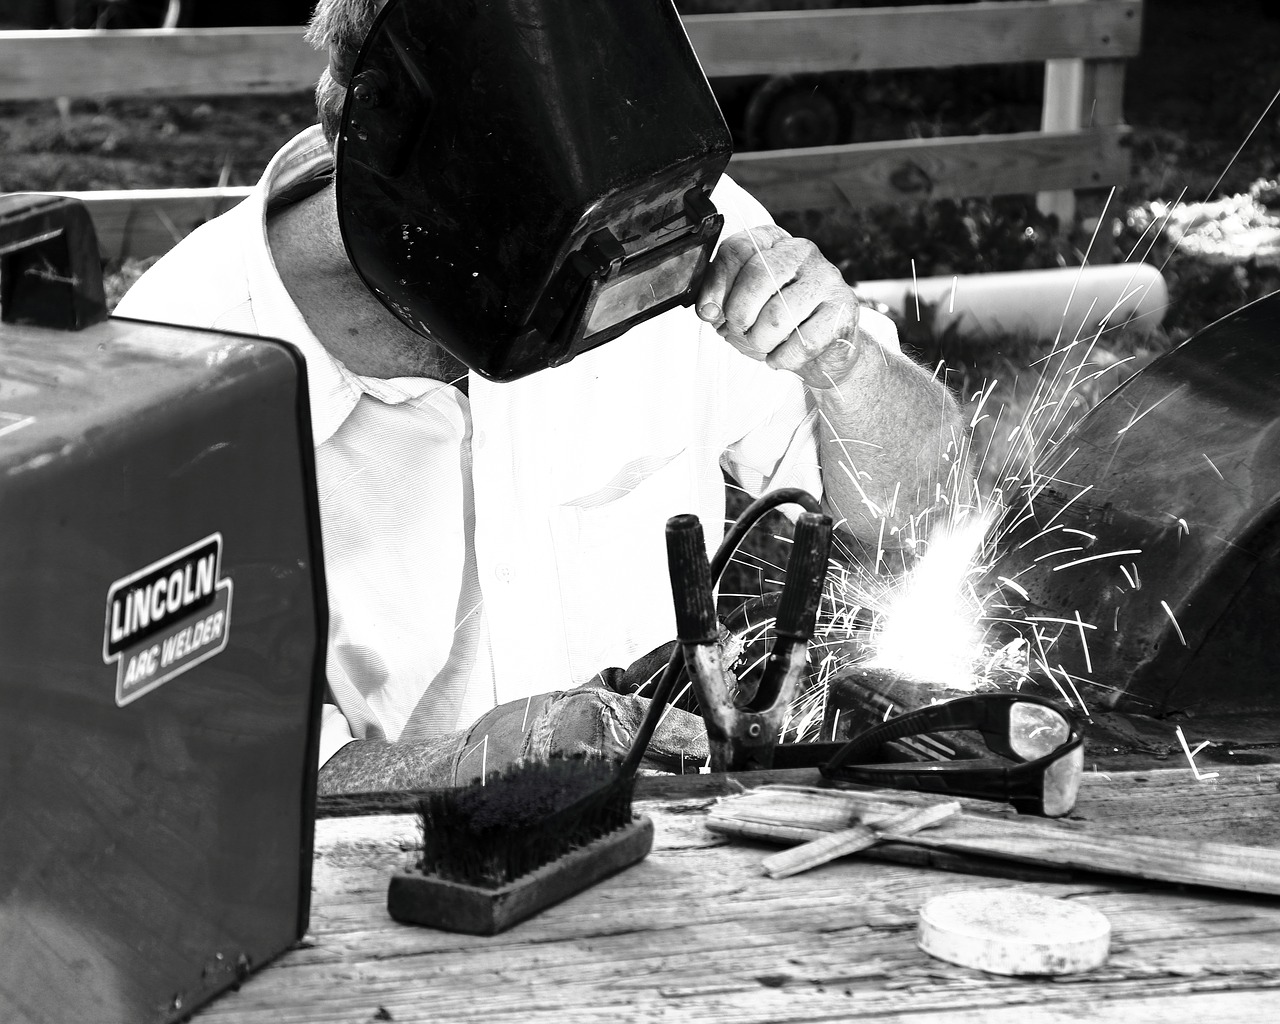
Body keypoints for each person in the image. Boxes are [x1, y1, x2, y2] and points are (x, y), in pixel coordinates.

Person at [115, 0, 969, 794]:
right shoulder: (178, 362)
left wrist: (844, 360)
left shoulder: (653, 217)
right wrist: (488, 761)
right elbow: (192, 761)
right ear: (360, 126)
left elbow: (925, 512)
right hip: (379, 900)